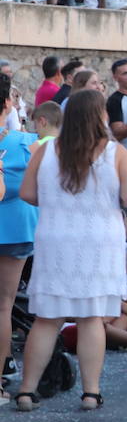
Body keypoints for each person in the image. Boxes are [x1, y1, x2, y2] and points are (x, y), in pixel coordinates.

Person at [10, 90, 127, 411]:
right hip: (98, 241)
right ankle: (90, 392)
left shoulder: (46, 151)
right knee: (90, 318)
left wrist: (60, 204)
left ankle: (27, 391)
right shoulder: (114, 152)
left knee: (47, 319)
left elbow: (28, 192)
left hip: (55, 239)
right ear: (100, 116)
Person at [0, 73, 38, 403]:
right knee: (3, 306)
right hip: (16, 228)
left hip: (15, 226)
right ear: (9, 103)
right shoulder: (27, 142)